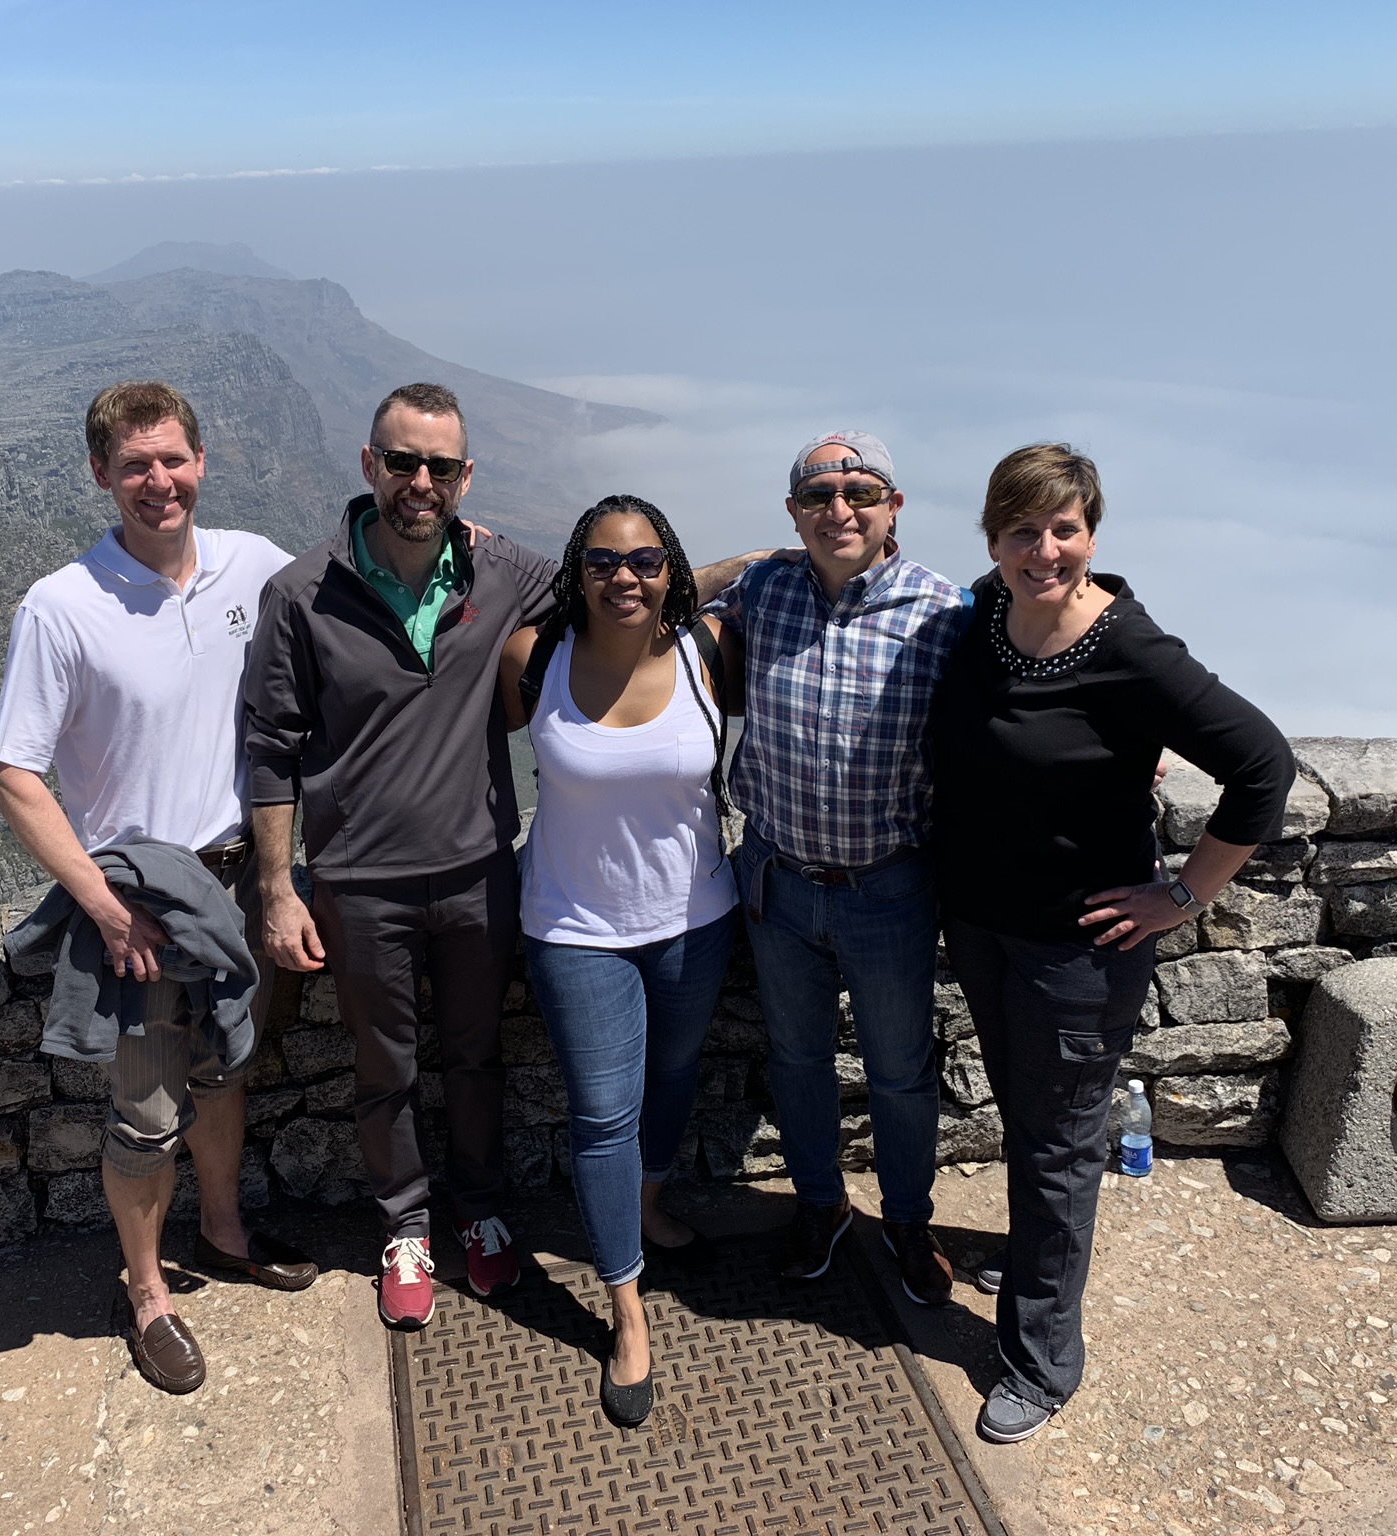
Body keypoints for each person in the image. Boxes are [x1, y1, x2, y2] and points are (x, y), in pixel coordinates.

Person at [243, 384, 766, 1331]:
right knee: (384, 1064)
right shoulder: (301, 592)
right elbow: (271, 747)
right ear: (368, 465)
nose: (419, 481)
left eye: (440, 466)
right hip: (359, 878)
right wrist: (279, 888)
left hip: (481, 866)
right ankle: (405, 1227)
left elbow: (618, 591)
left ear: (464, 477)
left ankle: (480, 1214)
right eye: (401, 461)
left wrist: (759, 563)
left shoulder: (502, 573)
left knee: (478, 1057)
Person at [928, 443, 1294, 1444]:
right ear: (991, 537)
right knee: (1033, 1123)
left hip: (1077, 951)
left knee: (1056, 1143)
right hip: (986, 925)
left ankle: (1042, 1361)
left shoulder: (1128, 650)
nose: (1042, 549)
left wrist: (1180, 892)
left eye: (1063, 528)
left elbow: (1263, 767)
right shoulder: (983, 619)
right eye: (1020, 530)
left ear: (1091, 531)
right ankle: (1041, 1262)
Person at [0, 381, 318, 1397]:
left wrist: (459, 537)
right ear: (101, 474)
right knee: (144, 1116)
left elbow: (347, 600)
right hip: (141, 912)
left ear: (201, 461)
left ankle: (221, 1232)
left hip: (242, 891)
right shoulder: (62, 606)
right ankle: (146, 1296)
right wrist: (99, 902)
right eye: (134, 465)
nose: (157, 482)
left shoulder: (251, 564)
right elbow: (14, 772)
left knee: (223, 1075)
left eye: (171, 459)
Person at [703, 431, 970, 1307]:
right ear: (793, 514)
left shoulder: (942, 613)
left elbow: (1024, 691)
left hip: (887, 888)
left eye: (860, 492)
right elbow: (662, 595)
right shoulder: (766, 590)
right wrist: (753, 555)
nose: (839, 510)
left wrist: (1129, 743)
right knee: (798, 1058)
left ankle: (906, 1218)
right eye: (818, 497)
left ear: (895, 507)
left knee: (898, 1069)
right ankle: (819, 1204)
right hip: (777, 880)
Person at [497, 495, 738, 1428]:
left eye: (643, 560)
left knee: (673, 1075)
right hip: (573, 925)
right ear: (577, 572)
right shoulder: (537, 660)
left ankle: (647, 1204)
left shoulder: (710, 655)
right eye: (602, 561)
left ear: (671, 569)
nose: (623, 577)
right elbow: (459, 734)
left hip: (696, 917)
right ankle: (626, 1304)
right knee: (603, 1111)